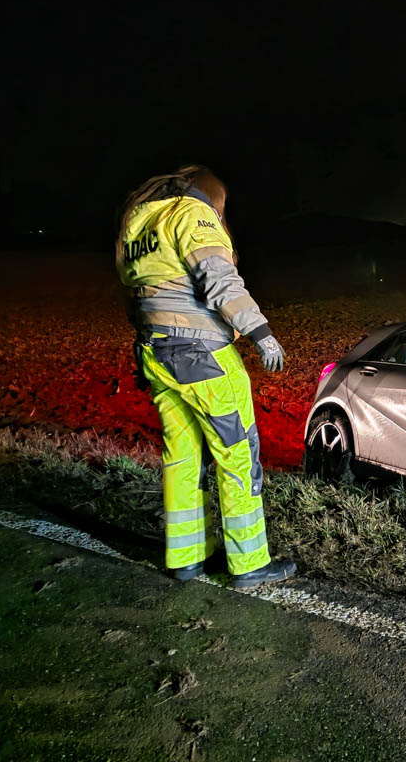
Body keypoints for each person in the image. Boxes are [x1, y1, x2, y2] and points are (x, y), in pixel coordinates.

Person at [116, 164, 296, 588]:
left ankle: (186, 557)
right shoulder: (189, 213)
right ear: (210, 195)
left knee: (181, 456)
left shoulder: (137, 225)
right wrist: (261, 334)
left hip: (155, 352)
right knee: (237, 454)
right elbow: (218, 276)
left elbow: (132, 294)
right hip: (203, 356)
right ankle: (250, 564)